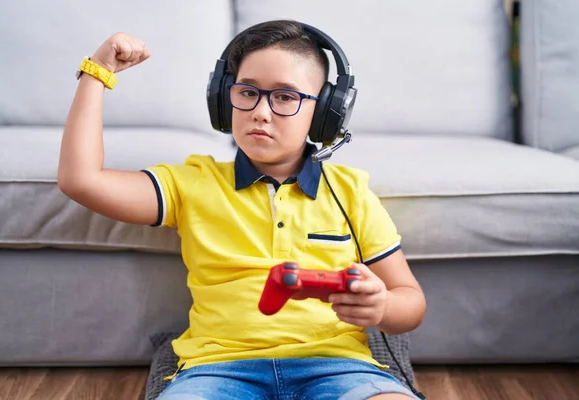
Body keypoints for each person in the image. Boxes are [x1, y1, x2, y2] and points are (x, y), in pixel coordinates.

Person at [58, 19, 426, 400]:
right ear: (223, 98)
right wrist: (95, 74)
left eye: (285, 97)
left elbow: (410, 302)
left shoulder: (351, 192)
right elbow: (80, 180)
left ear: (325, 115)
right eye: (247, 92)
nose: (261, 112)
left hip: (339, 367)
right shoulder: (192, 182)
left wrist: (381, 305)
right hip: (217, 372)